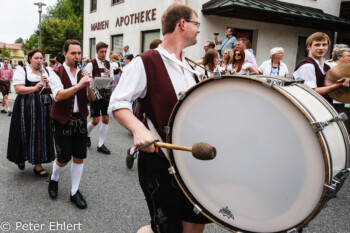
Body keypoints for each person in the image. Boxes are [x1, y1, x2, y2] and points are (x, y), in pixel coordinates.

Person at [108, 3, 210, 233]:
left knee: (194, 226)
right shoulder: (145, 62)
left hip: (190, 163)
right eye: (196, 24)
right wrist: (138, 129)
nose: (199, 30)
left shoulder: (191, 66)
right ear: (182, 24)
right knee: (167, 229)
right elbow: (118, 102)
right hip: (160, 162)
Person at [47, 39, 96, 209]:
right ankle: (54, 178)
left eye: (79, 53)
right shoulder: (54, 72)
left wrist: (89, 85)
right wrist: (79, 84)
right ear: (65, 53)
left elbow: (93, 98)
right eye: (73, 53)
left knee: (79, 156)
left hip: (80, 118)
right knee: (63, 158)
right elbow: (58, 95)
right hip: (62, 119)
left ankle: (74, 192)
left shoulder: (83, 72)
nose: (77, 56)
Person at [7, 48, 54, 176]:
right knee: (24, 131)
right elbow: (18, 89)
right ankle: (20, 158)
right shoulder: (22, 70)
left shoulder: (46, 71)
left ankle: (38, 165)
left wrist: (49, 84)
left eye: (41, 58)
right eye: (36, 58)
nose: (39, 60)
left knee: (41, 134)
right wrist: (34, 87)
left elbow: (53, 89)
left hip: (43, 106)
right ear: (30, 59)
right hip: (25, 106)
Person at [294, 32, 349, 101]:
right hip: (310, 106)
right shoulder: (308, 66)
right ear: (308, 47)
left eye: (324, 45)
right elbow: (311, 91)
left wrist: (340, 83)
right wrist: (338, 85)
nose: (321, 48)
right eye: (317, 45)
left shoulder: (326, 66)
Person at [85, 42, 113, 154]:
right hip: (95, 93)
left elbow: (112, 81)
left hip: (105, 93)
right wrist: (98, 78)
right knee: (96, 120)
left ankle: (100, 144)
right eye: (101, 52)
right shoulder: (91, 64)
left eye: (105, 52)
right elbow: (86, 79)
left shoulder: (108, 64)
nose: (104, 54)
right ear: (96, 52)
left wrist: (109, 77)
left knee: (106, 118)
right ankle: (86, 135)